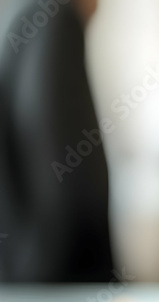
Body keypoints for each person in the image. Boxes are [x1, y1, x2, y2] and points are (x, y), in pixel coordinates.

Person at [0, 0, 114, 282]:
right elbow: (67, 175)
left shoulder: (15, 13)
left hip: (21, 273)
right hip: (59, 280)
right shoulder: (55, 19)